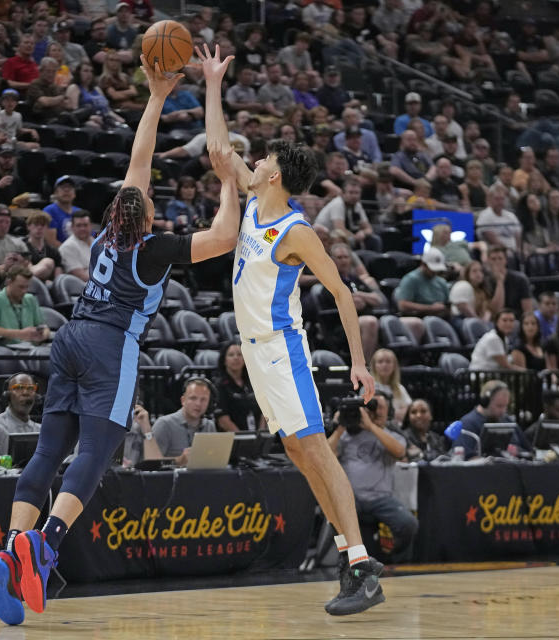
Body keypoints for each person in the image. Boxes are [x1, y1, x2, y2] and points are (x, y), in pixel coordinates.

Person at [0, 51, 245, 627]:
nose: (147, 193)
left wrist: (155, 98)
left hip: (70, 335)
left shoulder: (108, 233)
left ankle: (12, 547)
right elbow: (225, 237)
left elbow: (138, 160)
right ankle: (46, 544)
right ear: (146, 216)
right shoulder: (153, 247)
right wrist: (228, 181)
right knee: (96, 453)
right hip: (109, 346)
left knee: (49, 451)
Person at [197, 44, 385, 616]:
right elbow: (217, 148)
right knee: (301, 457)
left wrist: (358, 361)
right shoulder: (254, 197)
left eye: (262, 161)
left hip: (283, 349)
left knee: (317, 453)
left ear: (275, 172)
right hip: (254, 354)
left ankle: (361, 566)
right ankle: (349, 557)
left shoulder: (296, 231)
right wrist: (211, 84)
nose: (251, 164)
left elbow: (342, 291)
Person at [328, 389, 417, 560]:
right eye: (370, 406)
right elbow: (325, 456)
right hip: (352, 499)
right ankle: (348, 562)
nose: (375, 410)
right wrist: (340, 428)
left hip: (381, 499)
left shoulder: (393, 435)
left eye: (380, 407)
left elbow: (399, 451)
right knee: (334, 517)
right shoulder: (346, 435)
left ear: (389, 411)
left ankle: (395, 560)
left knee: (408, 524)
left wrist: (371, 427)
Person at [452, 380, 531, 458]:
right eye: (499, 406)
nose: (503, 411)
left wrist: (517, 451)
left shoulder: (507, 420)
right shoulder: (468, 423)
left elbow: (529, 450)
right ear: (485, 402)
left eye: (505, 406)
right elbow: (466, 457)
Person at [0, 264, 50, 345]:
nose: (24, 291)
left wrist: (44, 335)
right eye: (20, 287)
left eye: (27, 287)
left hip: (32, 348)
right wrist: (19, 334)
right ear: (8, 282)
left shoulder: (30, 299)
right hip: (7, 351)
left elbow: (43, 327)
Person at [152, 377, 217, 459]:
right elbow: (152, 462)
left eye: (203, 399)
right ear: (183, 400)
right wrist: (178, 461)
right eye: (193, 398)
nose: (198, 404)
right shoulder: (164, 424)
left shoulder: (209, 426)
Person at [395, 248, 451, 342]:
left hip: (441, 319)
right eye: (432, 269)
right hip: (419, 318)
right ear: (423, 264)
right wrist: (430, 308)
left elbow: (448, 303)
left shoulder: (441, 282)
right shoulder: (410, 279)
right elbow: (402, 305)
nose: (434, 272)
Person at [214, 339, 262, 432]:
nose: (236, 358)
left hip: (257, 436)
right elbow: (223, 420)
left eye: (239, 355)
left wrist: (261, 434)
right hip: (234, 439)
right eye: (231, 355)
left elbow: (264, 412)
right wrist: (245, 439)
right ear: (224, 360)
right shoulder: (220, 386)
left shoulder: (253, 381)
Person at [485, 246, 535, 314]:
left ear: (506, 260)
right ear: (488, 260)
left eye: (500, 258)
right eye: (493, 259)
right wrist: (500, 282)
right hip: (496, 320)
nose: (497, 262)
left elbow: (528, 309)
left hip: (517, 319)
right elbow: (495, 310)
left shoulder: (520, 279)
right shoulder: (485, 281)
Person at [43, 175, 87, 246]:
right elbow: (51, 242)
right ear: (55, 193)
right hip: (59, 254)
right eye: (62, 187)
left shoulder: (80, 212)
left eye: (70, 187)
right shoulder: (49, 211)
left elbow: (89, 237)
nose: (66, 190)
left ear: (74, 193)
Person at [476, 186, 523, 253]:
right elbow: (493, 240)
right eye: (497, 199)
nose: (500, 202)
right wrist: (509, 251)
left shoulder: (511, 215)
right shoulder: (485, 216)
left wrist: (518, 250)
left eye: (502, 199)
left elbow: (518, 235)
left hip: (514, 252)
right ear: (490, 199)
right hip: (495, 252)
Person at [23, 210, 62, 281]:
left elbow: (58, 277)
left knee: (49, 262)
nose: (39, 228)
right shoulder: (21, 245)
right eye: (36, 224)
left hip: (46, 287)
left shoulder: (53, 251)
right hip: (24, 281)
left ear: (47, 228)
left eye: (43, 225)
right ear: (28, 226)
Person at [58, 211, 94, 280]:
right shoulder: (67, 247)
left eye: (85, 225)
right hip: (82, 287)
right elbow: (81, 275)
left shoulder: (98, 243)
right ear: (72, 227)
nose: (82, 228)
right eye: (78, 225)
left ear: (91, 226)